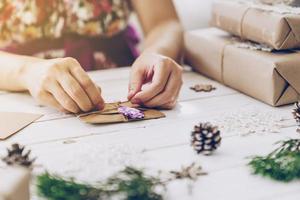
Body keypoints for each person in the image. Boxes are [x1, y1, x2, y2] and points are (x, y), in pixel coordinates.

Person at [0, 0, 183, 113]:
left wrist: (157, 52)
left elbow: (164, 22)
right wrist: (27, 71)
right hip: (20, 97)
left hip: (124, 83)